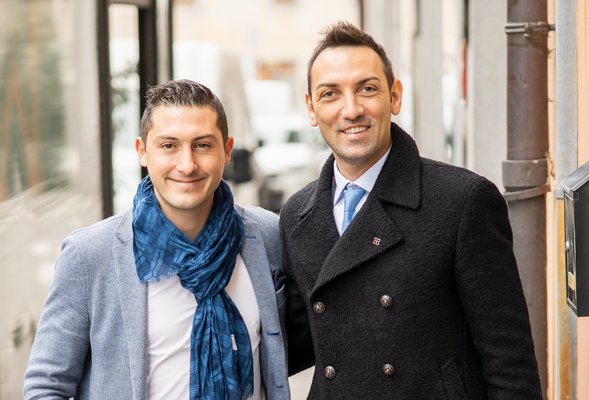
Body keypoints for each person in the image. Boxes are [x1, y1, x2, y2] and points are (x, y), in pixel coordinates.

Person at [280, 21, 542, 399]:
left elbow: (509, 362)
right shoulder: (297, 216)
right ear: (311, 107)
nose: (351, 110)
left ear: (395, 96)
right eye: (330, 94)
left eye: (367, 89)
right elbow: (290, 341)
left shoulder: (462, 201)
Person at [24, 79, 290, 400]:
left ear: (227, 150)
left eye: (202, 145)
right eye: (169, 146)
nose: (187, 164)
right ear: (142, 152)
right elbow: (46, 385)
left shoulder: (265, 234)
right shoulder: (90, 255)